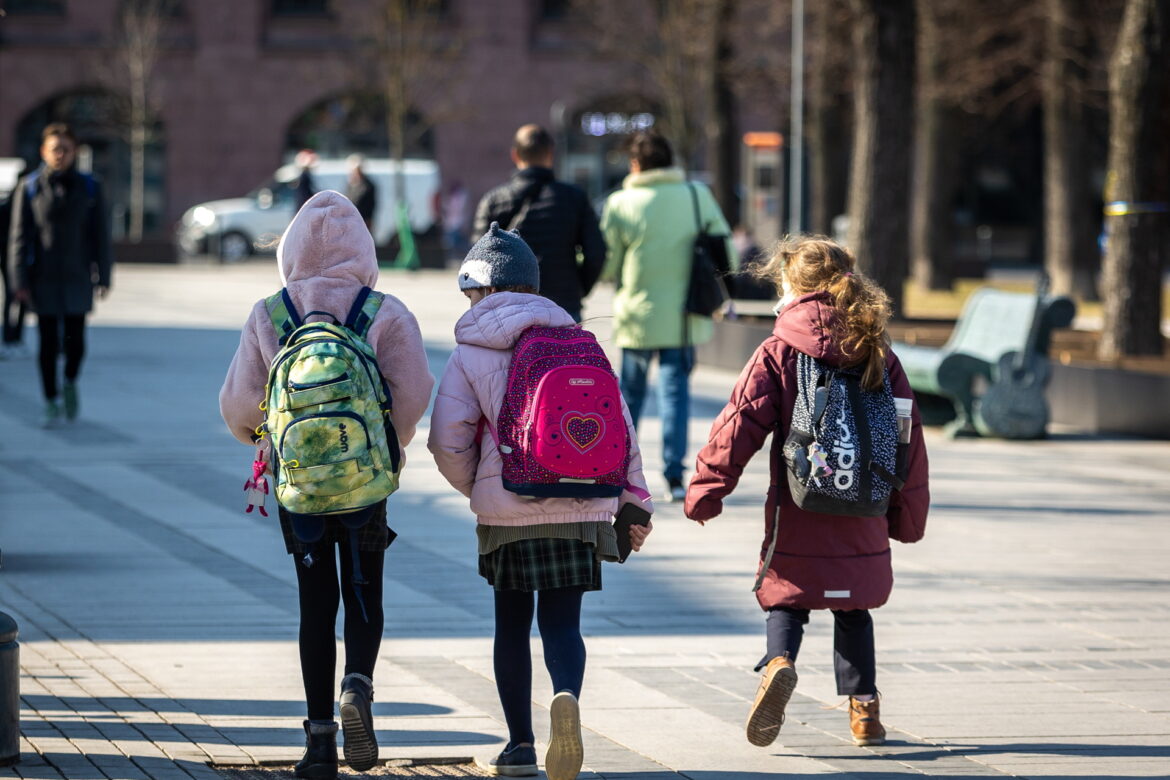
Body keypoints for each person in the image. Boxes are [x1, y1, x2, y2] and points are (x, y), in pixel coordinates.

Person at [683, 236, 930, 748]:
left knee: (787, 596)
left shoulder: (778, 349)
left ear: (793, 286)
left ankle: (778, 664)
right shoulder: (876, 348)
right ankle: (865, 712)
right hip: (864, 498)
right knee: (853, 605)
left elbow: (738, 423)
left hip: (800, 501)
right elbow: (908, 438)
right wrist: (907, 514)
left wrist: (708, 488)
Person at [219, 191, 433, 780]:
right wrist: (388, 442)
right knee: (364, 593)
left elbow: (239, 407)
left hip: (300, 490)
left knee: (315, 605)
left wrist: (266, 437)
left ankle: (318, 744)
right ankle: (357, 685)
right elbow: (415, 392)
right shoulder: (384, 311)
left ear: (288, 251)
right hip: (366, 482)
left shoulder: (270, 313)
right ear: (364, 250)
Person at [428, 223, 653, 780]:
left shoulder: (471, 350)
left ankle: (520, 747)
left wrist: (482, 488)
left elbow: (447, 440)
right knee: (563, 623)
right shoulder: (579, 340)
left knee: (511, 624)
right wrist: (635, 499)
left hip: (509, 510)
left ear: (482, 289)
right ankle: (566, 694)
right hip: (583, 507)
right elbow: (621, 428)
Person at [600, 130, 735, 501]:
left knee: (630, 396)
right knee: (676, 394)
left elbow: (608, 262)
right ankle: (674, 477)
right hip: (683, 315)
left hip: (637, 316)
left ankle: (619, 469)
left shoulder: (621, 202)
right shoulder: (695, 195)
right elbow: (726, 251)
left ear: (635, 164)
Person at [6, 123, 112, 425]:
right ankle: (51, 398)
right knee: (48, 342)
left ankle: (69, 381)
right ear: (44, 152)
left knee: (76, 342)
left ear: (75, 151)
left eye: (66, 149)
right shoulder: (30, 187)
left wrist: (104, 275)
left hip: (78, 275)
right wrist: (18, 281)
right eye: (55, 149)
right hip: (43, 277)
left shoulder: (90, 186)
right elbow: (18, 237)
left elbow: (100, 235)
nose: (60, 155)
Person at [473, 125, 606, 322]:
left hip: (509, 309)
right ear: (551, 153)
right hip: (563, 305)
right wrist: (578, 289)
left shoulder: (494, 200)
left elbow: (477, 262)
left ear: (515, 154)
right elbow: (596, 253)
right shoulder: (574, 198)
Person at [0, 166, 30, 359]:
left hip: (26, 258)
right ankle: (8, 338)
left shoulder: (32, 202)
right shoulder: (8, 204)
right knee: (11, 298)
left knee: (21, 299)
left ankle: (16, 337)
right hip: (9, 259)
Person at [344, 154, 377, 233]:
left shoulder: (368, 186)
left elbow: (370, 205)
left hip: (363, 221)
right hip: (351, 220)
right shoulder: (350, 185)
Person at [441, 179, 470, 260]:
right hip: (451, 224)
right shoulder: (451, 197)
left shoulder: (462, 197)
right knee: (453, 242)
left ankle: (460, 256)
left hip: (458, 223)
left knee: (457, 243)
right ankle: (455, 258)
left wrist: (465, 223)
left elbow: (463, 210)